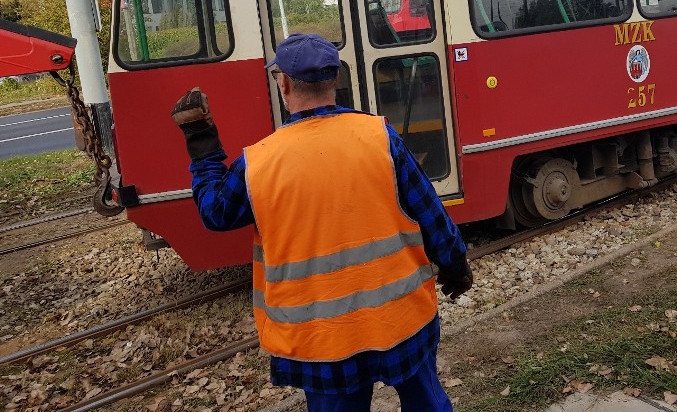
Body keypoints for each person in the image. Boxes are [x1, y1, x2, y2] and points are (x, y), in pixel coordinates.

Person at [171, 33, 472, 412]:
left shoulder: (259, 163)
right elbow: (431, 214)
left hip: (322, 340)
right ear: (335, 79)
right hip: (400, 320)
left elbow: (215, 212)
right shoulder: (380, 138)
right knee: (427, 403)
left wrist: (202, 144)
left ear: (283, 83)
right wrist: (456, 266)